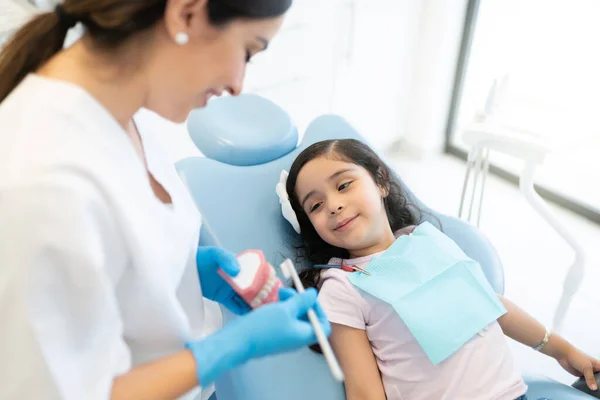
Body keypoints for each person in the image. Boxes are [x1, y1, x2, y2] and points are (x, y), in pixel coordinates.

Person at [0, 1, 331, 399]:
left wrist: (184, 272)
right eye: (248, 50)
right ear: (187, 13)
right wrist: (235, 345)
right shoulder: (42, 180)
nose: (238, 84)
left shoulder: (121, 114)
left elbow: (102, 254)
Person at [282, 138, 600, 400]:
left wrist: (562, 349)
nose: (333, 205)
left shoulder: (427, 241)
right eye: (316, 205)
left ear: (380, 182)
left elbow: (490, 304)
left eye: (344, 185)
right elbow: (365, 390)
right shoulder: (341, 286)